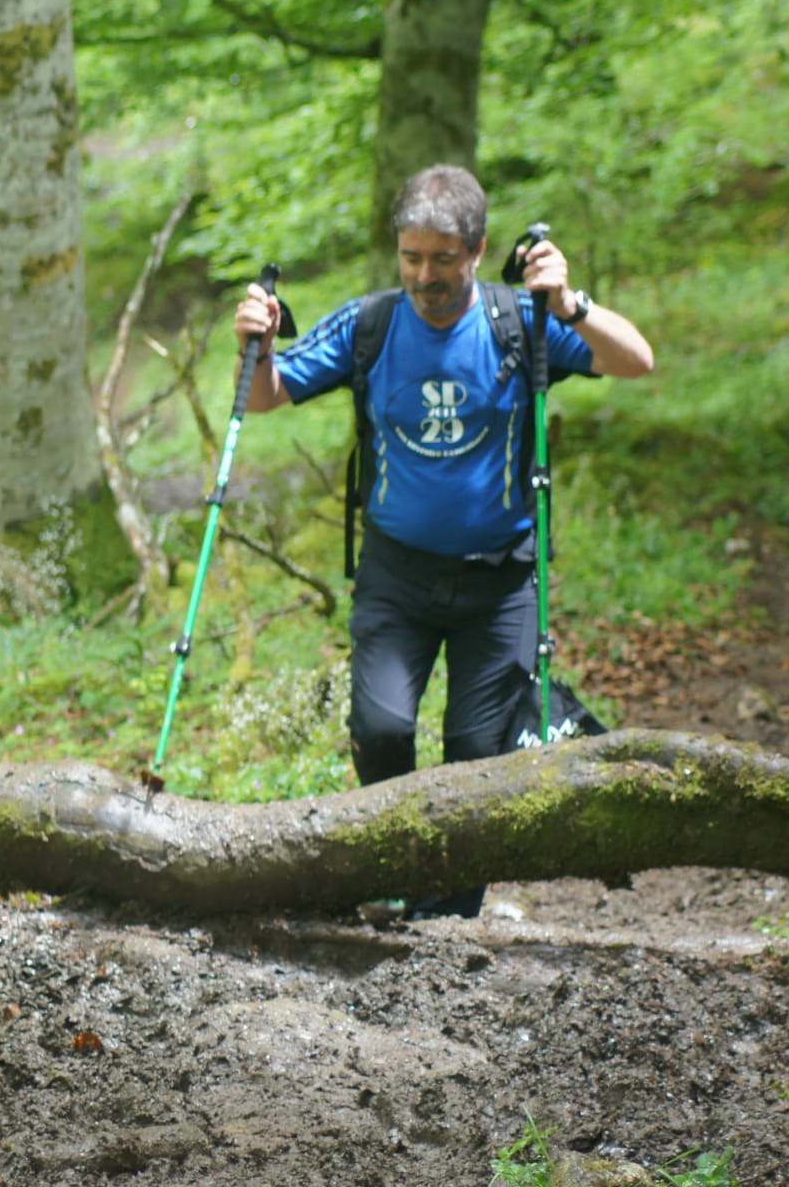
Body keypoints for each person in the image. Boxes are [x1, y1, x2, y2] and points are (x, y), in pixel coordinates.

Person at [232, 165, 655, 918]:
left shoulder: (517, 322)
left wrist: (570, 303)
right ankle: (393, 877)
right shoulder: (370, 324)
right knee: (382, 727)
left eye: (445, 259)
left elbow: (636, 359)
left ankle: (449, 919)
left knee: (475, 753)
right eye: (411, 258)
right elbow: (265, 398)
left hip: (499, 584)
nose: (426, 276)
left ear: (479, 248)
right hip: (396, 578)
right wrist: (257, 346)